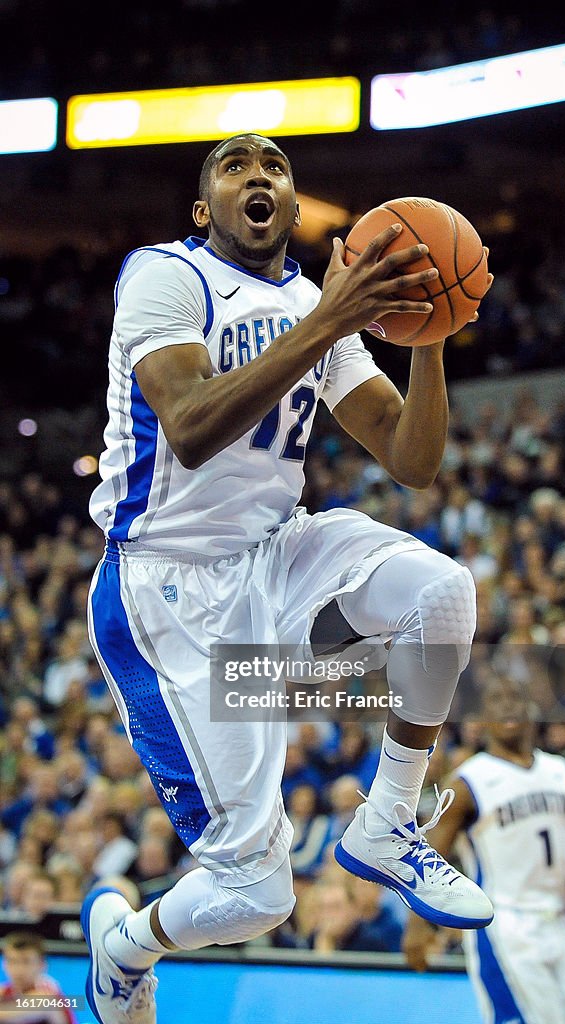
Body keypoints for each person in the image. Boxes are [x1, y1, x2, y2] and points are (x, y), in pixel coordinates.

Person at [82, 131, 494, 1023]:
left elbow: (412, 458)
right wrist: (331, 320)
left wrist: (432, 331)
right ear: (205, 209)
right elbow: (190, 424)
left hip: (277, 552)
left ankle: (389, 819)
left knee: (442, 592)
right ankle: (125, 945)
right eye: (235, 166)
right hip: (167, 587)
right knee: (257, 899)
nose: (258, 174)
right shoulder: (165, 275)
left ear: (296, 207)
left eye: (275, 166)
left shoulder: (316, 301)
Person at [426, 674, 565, 1024]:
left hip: (558, 921)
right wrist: (419, 929)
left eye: (515, 696)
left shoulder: (560, 770)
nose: (508, 704)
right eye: (497, 698)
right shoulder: (468, 782)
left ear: (532, 709)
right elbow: (428, 863)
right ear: (481, 715)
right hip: (504, 925)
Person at [0, 931, 78, 1023]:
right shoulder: (5, 991)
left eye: (26, 962)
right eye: (12, 961)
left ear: (42, 965)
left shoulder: (48, 993)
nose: (18, 969)